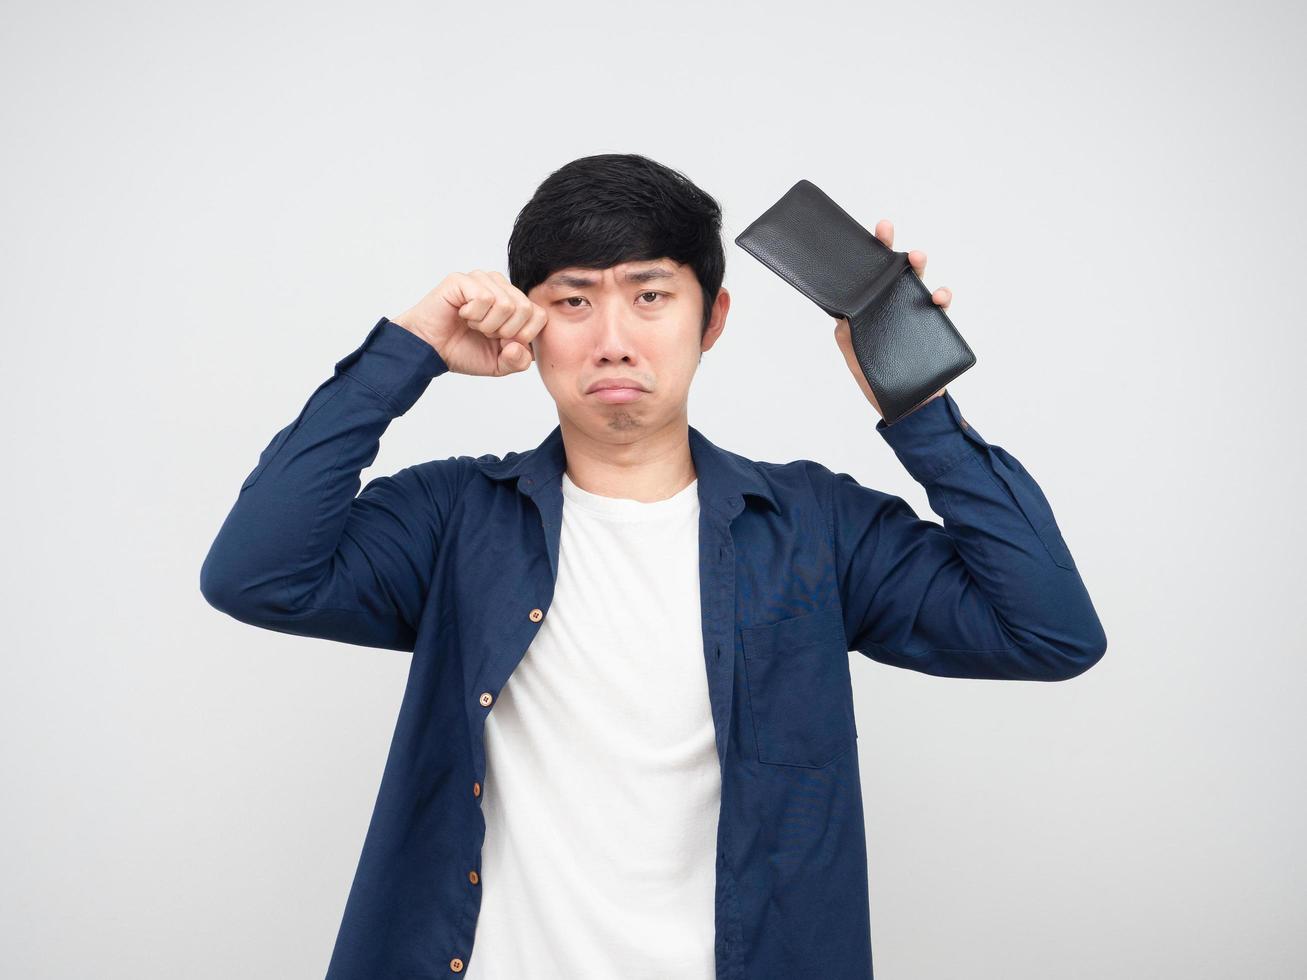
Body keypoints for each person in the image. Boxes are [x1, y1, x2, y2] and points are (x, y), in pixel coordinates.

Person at [199, 152, 1107, 980]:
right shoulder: (452, 519)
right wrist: (407, 351)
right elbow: (254, 573)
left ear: (711, 318)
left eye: (649, 296)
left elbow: (1048, 632)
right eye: (571, 300)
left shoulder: (813, 527)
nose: (612, 340)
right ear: (529, 321)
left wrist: (918, 403)